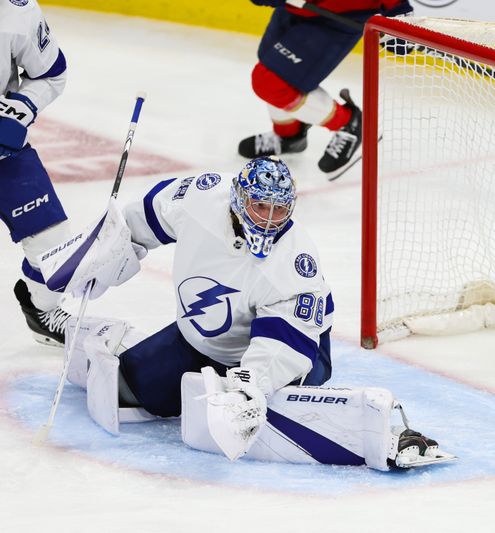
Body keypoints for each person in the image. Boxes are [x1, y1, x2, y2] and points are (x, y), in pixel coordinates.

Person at [42, 156, 453, 468]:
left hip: (296, 348)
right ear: (239, 197)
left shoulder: (294, 264)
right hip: (203, 339)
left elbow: (280, 346)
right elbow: (139, 223)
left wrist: (245, 388)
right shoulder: (199, 197)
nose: (271, 220)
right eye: (260, 206)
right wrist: (103, 257)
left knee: (246, 408)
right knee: (133, 391)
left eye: (280, 210)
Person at [239, 0, 413, 179]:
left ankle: (351, 124)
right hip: (295, 8)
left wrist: (400, 15)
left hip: (336, 18)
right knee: (272, 63)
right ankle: (289, 136)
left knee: (271, 80)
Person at [3, 0, 73, 347]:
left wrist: (21, 106)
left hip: (4, 155)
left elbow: (50, 73)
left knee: (56, 248)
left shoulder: (17, 10)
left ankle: (40, 310)